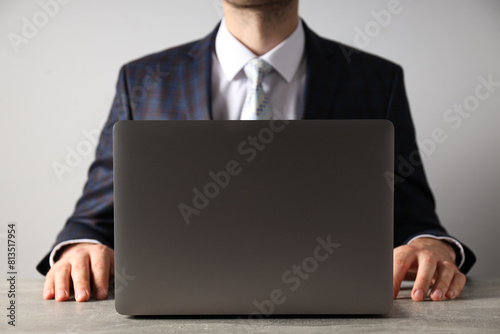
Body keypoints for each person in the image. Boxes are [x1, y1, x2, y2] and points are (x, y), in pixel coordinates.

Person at [38, 0, 476, 303]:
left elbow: (414, 218)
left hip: (334, 315)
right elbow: (93, 219)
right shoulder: (143, 79)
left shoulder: (377, 80)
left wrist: (432, 246)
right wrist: (81, 247)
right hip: (176, 314)